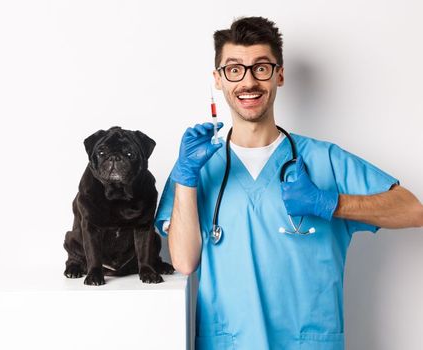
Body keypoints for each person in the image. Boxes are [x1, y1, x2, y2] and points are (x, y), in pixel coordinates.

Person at [155, 16, 423, 349]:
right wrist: (185, 178)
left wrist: (329, 203)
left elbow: (413, 210)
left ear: (279, 74)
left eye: (261, 68)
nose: (248, 81)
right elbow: (183, 261)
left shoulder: (326, 160)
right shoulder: (198, 167)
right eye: (234, 69)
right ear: (218, 80)